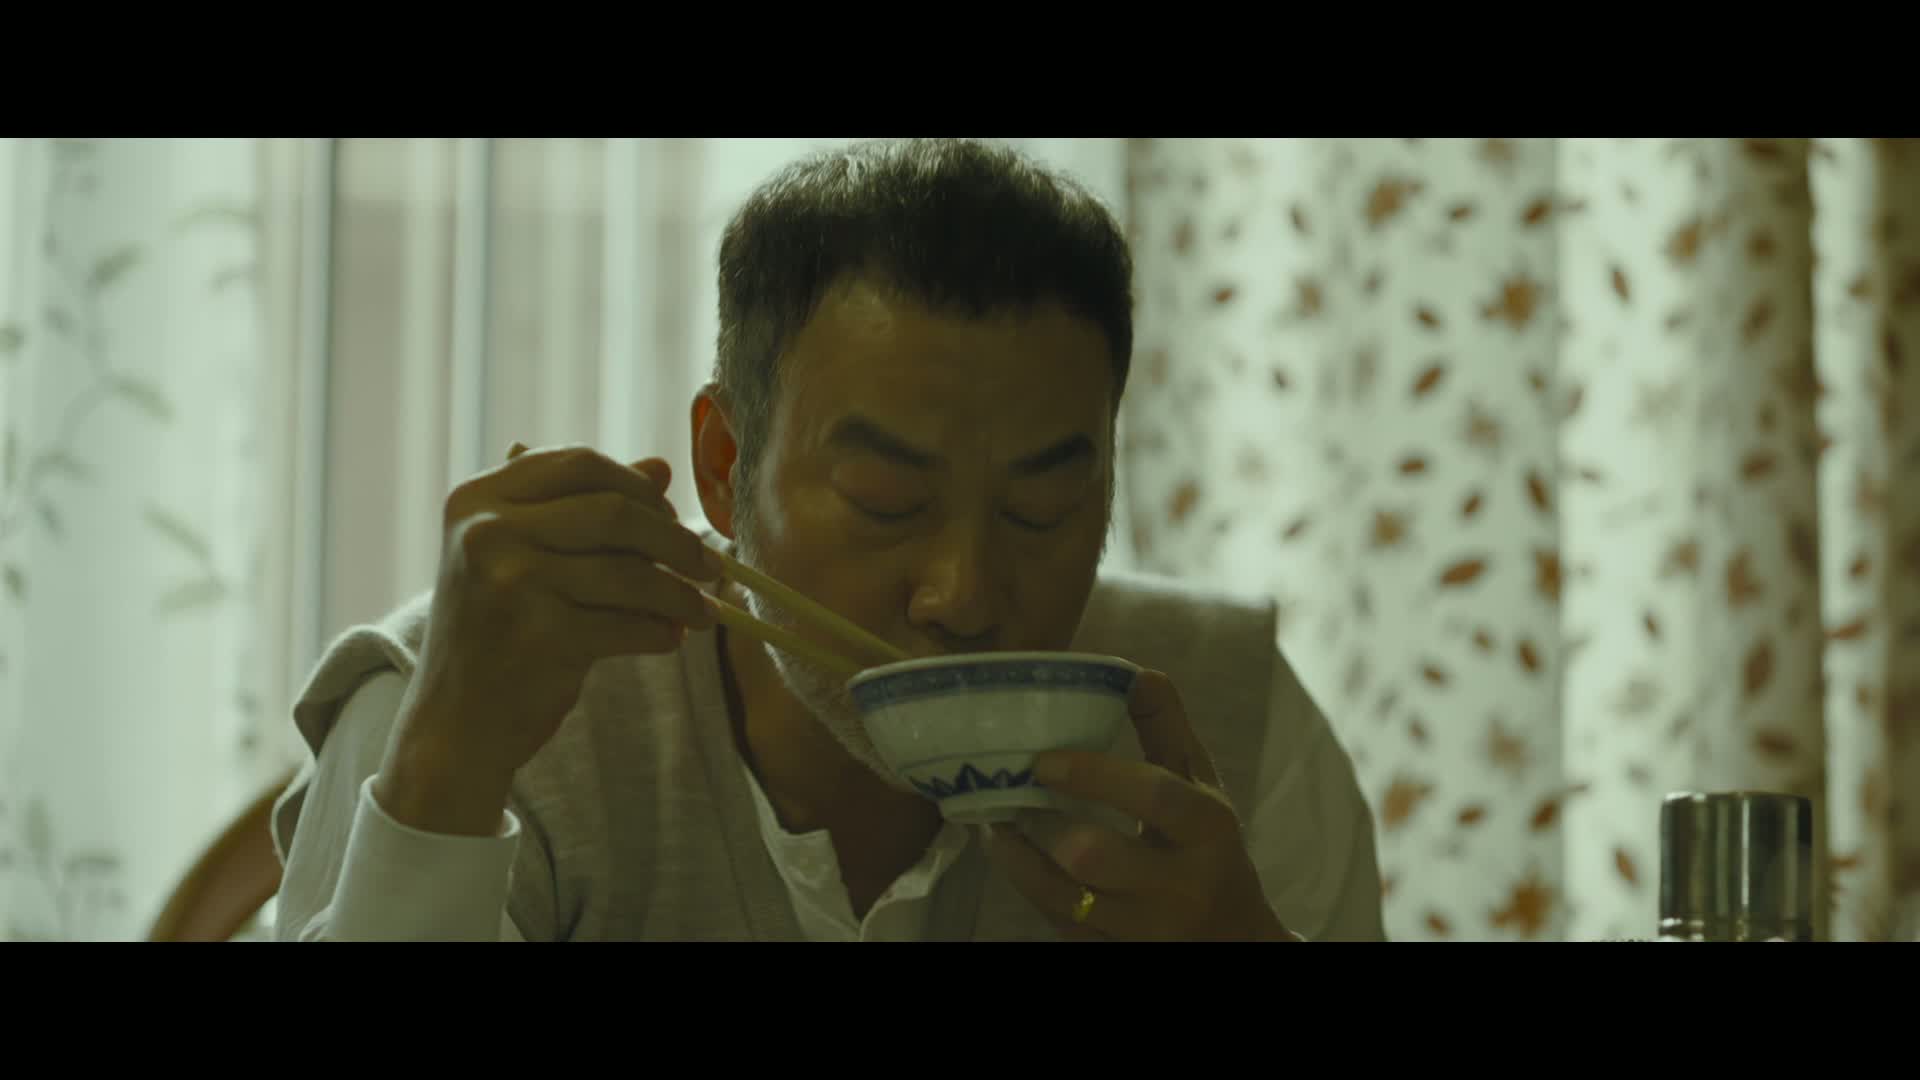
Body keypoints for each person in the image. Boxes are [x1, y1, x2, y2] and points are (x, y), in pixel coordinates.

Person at [269, 137, 1386, 942]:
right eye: (886, 501)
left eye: (1042, 509)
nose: (965, 594)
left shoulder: (1231, 721)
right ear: (723, 467)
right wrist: (445, 775)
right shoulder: (480, 702)